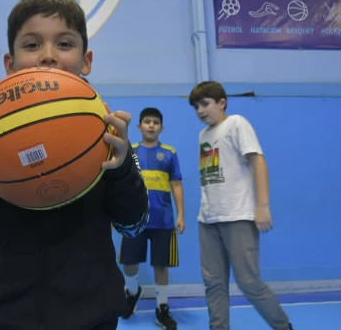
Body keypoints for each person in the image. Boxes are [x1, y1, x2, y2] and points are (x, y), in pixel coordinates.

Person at [0, 0, 150, 330]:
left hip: (91, 317)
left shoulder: (107, 136)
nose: (48, 55)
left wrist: (122, 169)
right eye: (32, 45)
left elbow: (134, 225)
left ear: (86, 59)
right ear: (10, 63)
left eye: (64, 44)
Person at [188, 81, 294, 330]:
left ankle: (283, 327)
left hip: (238, 216)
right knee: (213, 282)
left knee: (249, 282)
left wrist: (262, 206)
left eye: (205, 104)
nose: (200, 110)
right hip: (208, 220)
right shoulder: (203, 135)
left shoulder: (236, 123)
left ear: (221, 103)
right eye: (196, 107)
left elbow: (258, 161)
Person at [119, 107, 183, 329]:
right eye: (147, 121)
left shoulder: (170, 153)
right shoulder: (130, 151)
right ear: (139, 127)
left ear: (161, 128)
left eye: (156, 122)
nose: (151, 125)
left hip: (163, 221)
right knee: (129, 262)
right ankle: (132, 292)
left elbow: (176, 184)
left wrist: (181, 214)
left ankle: (162, 308)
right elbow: (121, 184)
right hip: (134, 220)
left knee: (161, 265)